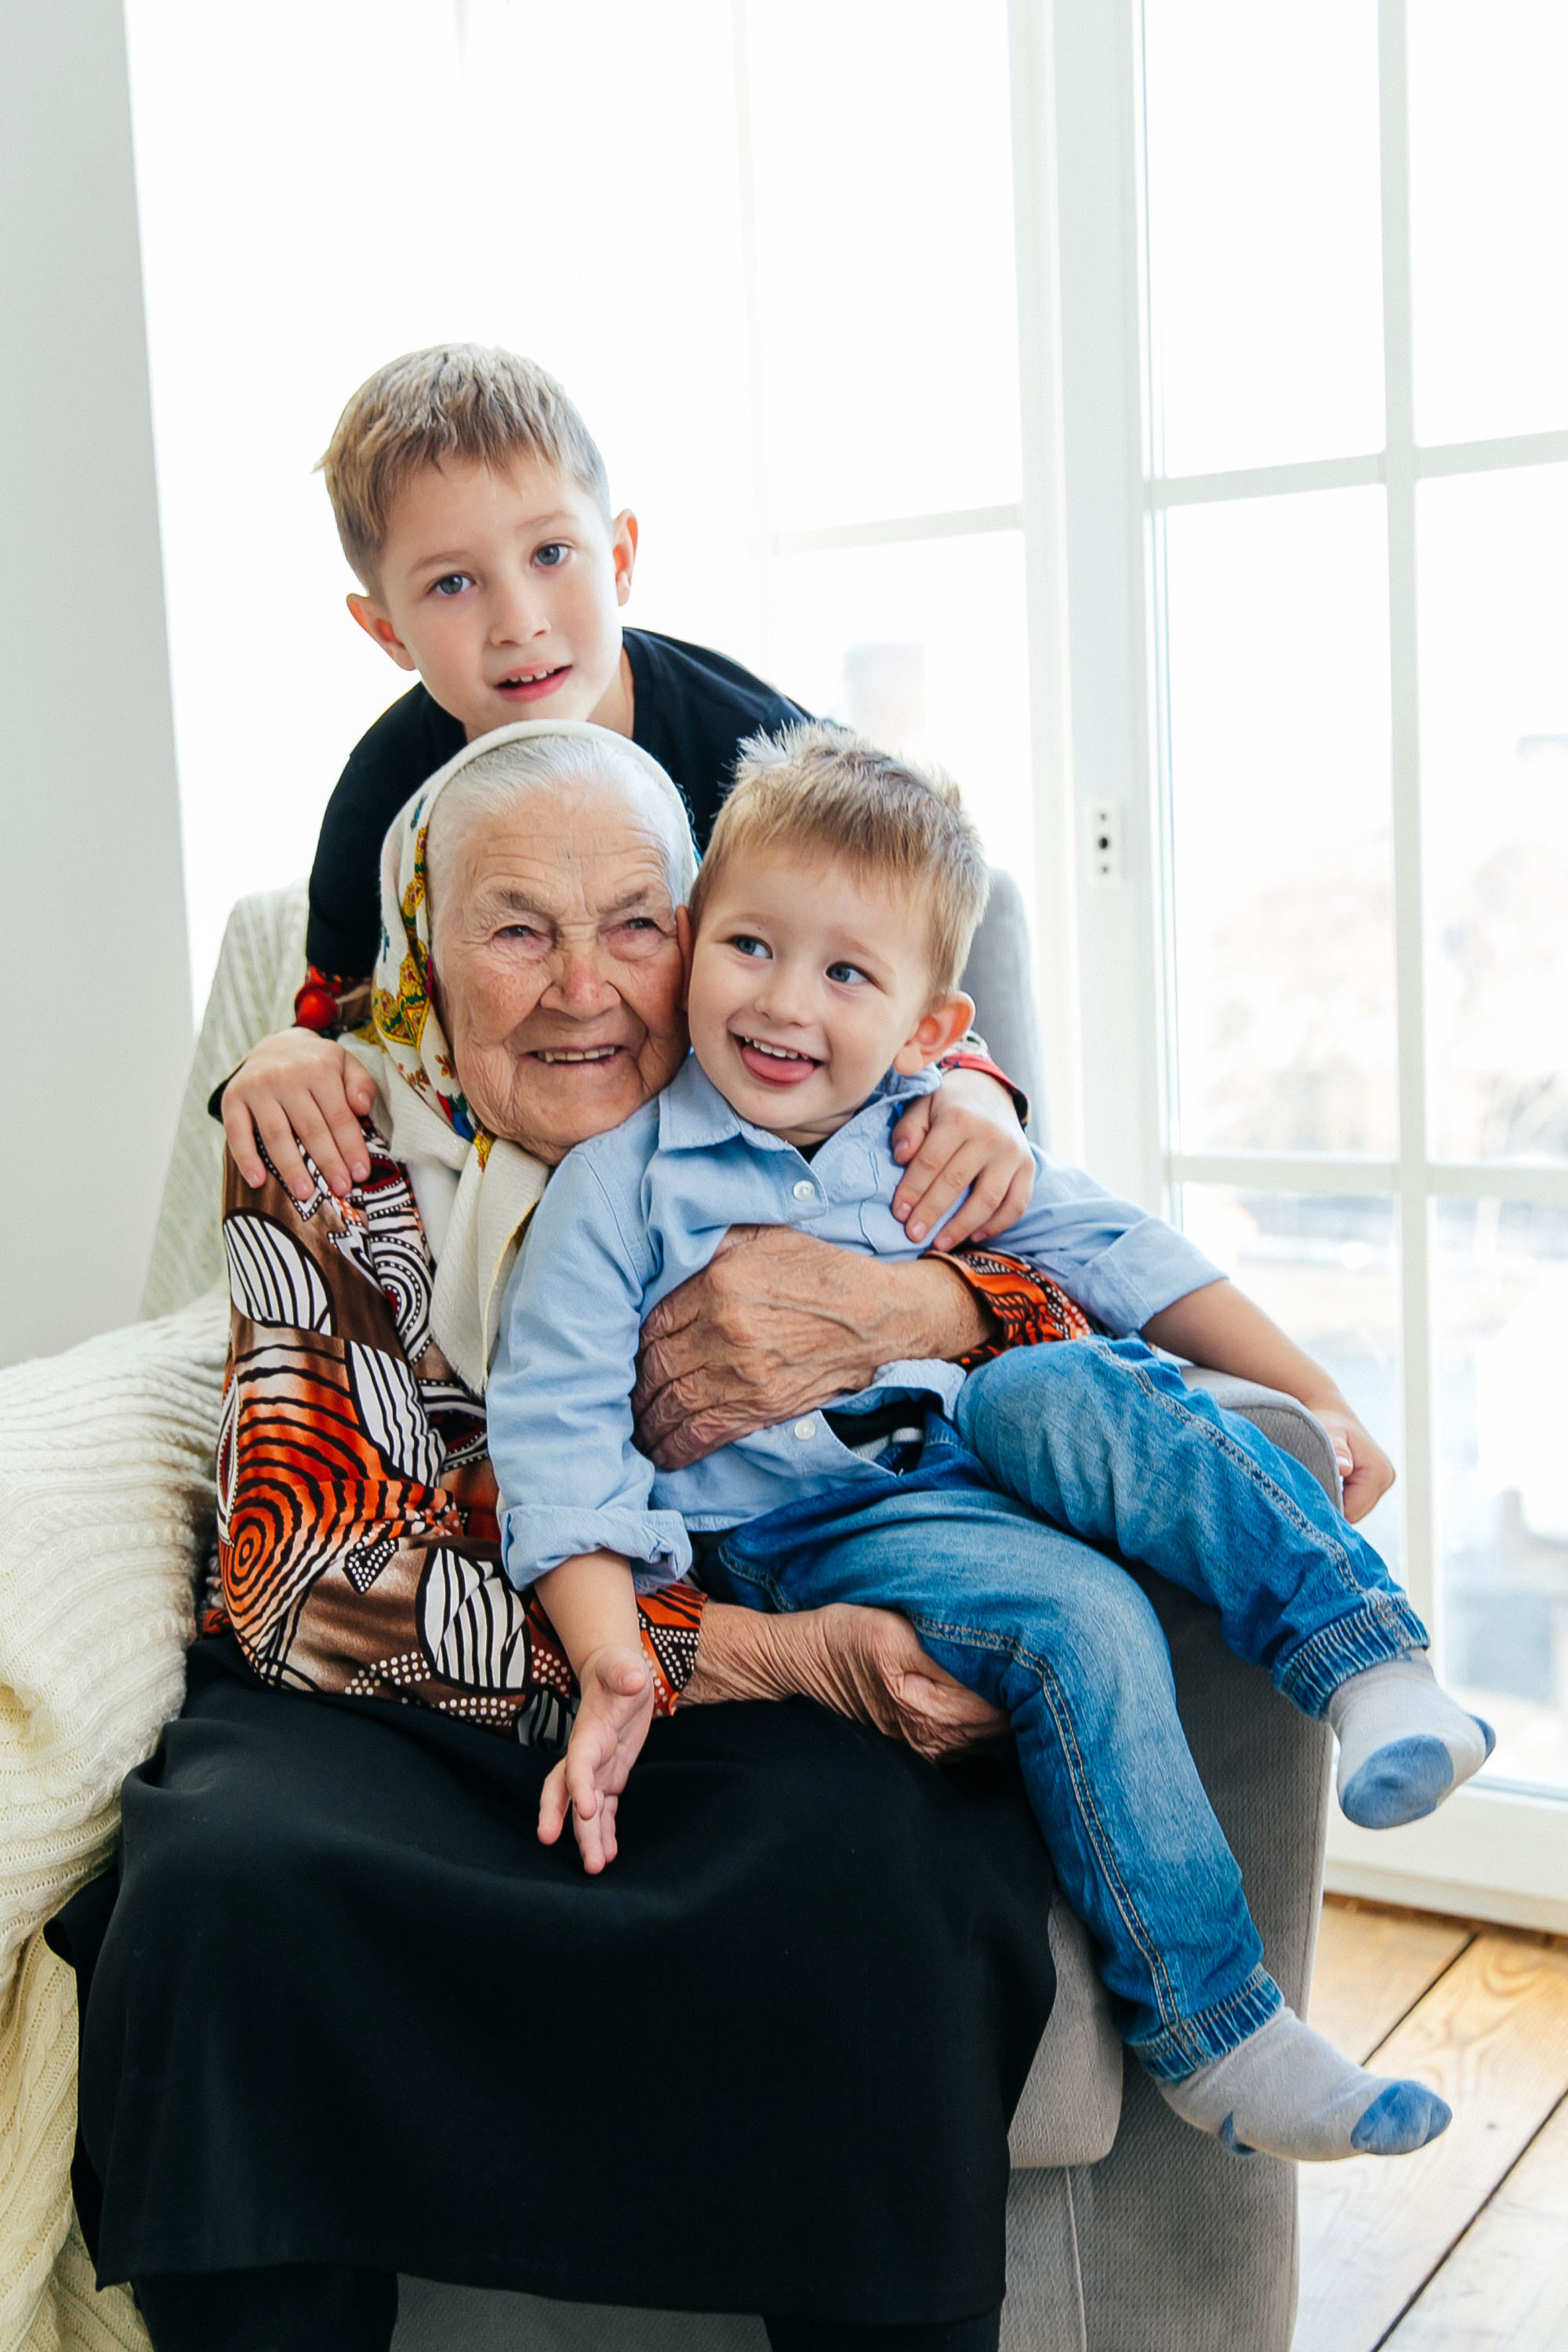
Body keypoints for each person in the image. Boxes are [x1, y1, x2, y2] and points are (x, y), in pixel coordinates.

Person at [52, 720, 1098, 2352]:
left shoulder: (844, 1128)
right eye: (515, 926)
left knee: (883, 1880)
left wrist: (922, 1295)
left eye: (635, 922)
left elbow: (1084, 1340)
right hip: (408, 1711)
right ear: (424, 956)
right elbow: (313, 1589)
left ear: (703, 942)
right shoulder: (332, 1154)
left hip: (744, 1725)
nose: (581, 986)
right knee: (223, 1893)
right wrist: (754, 1651)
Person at [488, 720, 1490, 2167]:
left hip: (987, 1461)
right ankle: (1222, 2034)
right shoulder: (620, 1185)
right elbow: (557, 1442)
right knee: (1081, 1619)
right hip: (808, 1533)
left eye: (846, 973)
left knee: (1055, 1385)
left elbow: (1125, 1255)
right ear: (698, 940)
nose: (782, 1002)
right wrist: (616, 1660)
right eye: (752, 946)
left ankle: (1374, 1668)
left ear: (926, 1027)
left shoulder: (935, 1138)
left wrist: (1315, 1389)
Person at [223, 343, 1033, 1262]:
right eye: (452, 583)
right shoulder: (379, 792)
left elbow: (899, 926)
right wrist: (287, 1049)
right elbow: (341, 1007)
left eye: (551, 554)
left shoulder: (750, 748)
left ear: (619, 560)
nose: (518, 618)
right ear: (385, 632)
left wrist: (972, 1083)